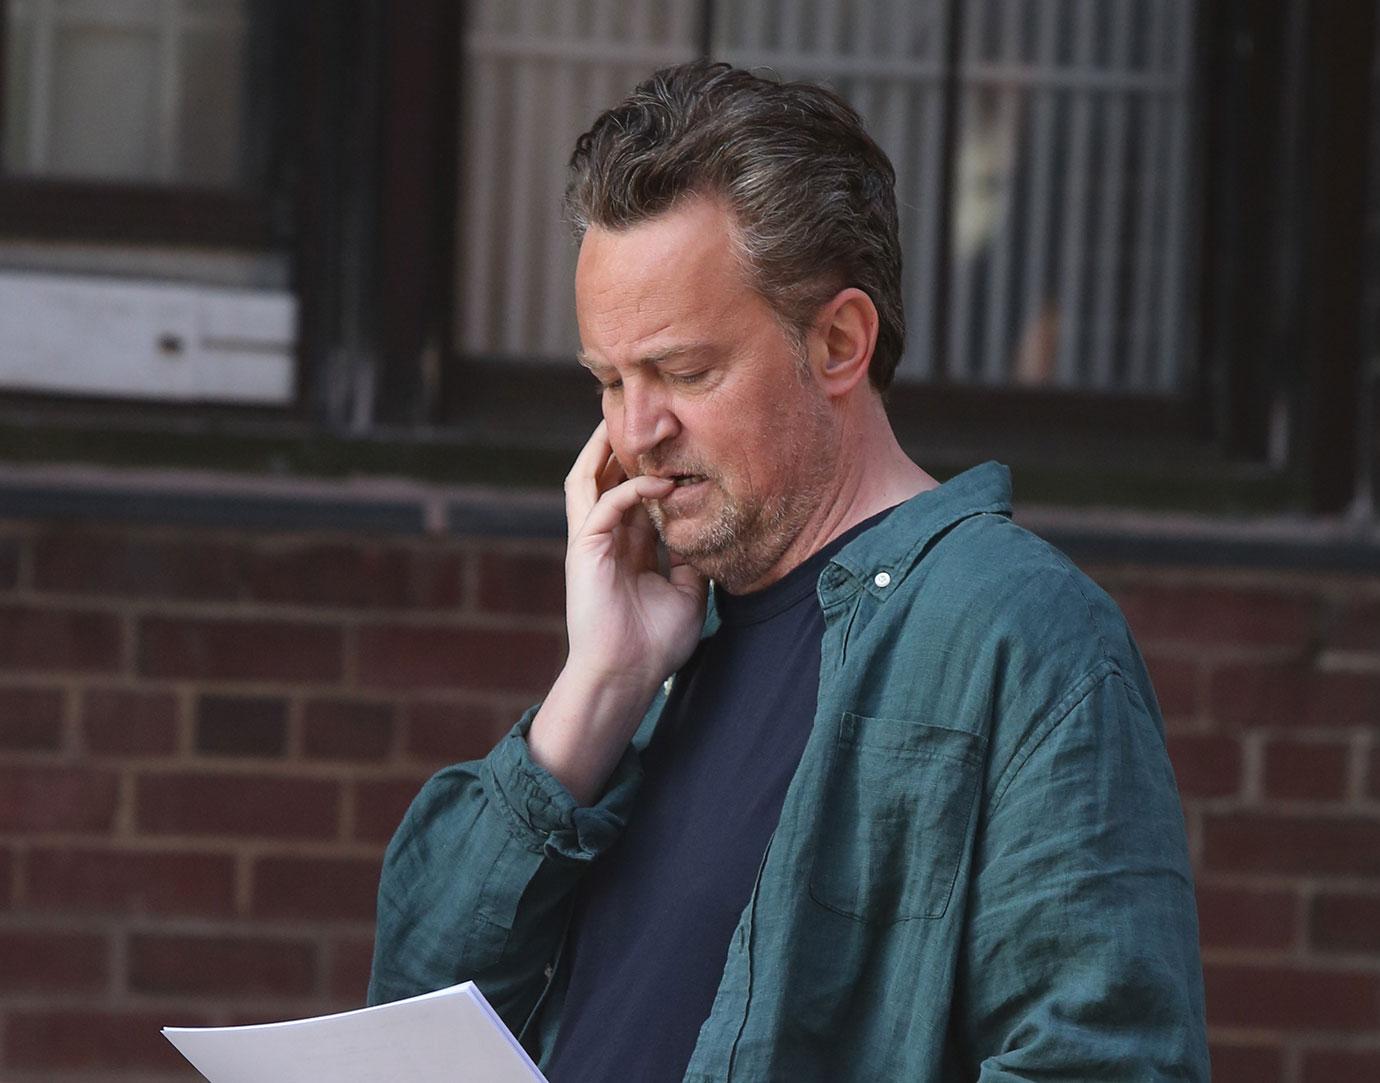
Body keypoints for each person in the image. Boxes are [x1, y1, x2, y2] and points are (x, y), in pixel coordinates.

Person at [368, 61, 1209, 1081]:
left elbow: (1103, 1064)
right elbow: (406, 1015)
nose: (636, 431)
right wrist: (600, 686)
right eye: (608, 381)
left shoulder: (1022, 636)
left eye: (684, 372)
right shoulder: (668, 644)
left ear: (841, 342)